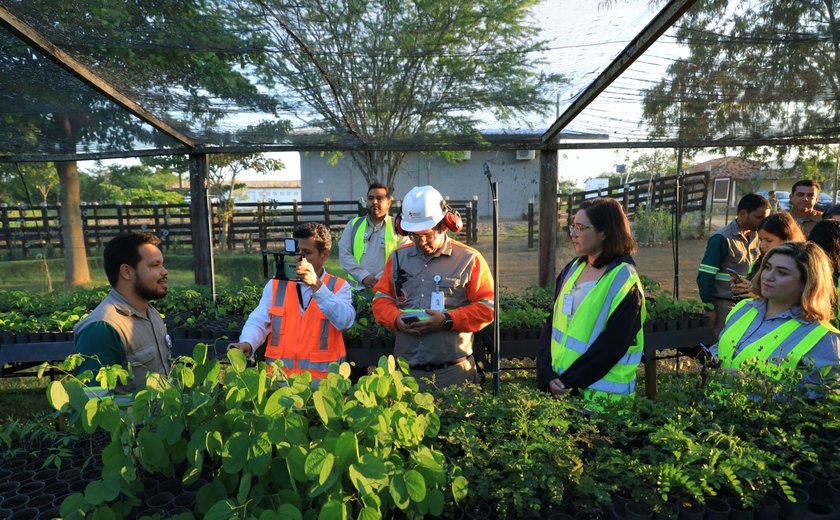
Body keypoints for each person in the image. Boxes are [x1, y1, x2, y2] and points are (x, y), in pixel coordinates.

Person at [371, 185, 494, 390]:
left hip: (453, 374)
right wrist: (396, 319)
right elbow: (381, 299)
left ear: (444, 225)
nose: (422, 241)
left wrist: (447, 321)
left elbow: (486, 308)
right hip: (406, 375)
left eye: (427, 234)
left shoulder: (469, 259)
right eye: (415, 235)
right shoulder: (398, 258)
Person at [536, 198, 645, 403]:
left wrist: (568, 382)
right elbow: (551, 328)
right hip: (562, 392)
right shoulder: (572, 270)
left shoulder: (624, 282)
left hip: (601, 402)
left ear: (604, 232)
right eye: (573, 226)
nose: (573, 234)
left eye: (581, 228)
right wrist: (546, 374)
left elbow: (611, 347)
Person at [228, 222, 355, 383]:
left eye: (306, 253)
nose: (298, 258)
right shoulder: (276, 285)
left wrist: (316, 285)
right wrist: (247, 342)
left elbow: (345, 321)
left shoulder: (338, 287)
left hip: (322, 387)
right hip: (279, 383)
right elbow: (258, 321)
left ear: (325, 254)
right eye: (296, 252)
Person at [710, 242, 840, 389]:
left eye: (782, 272)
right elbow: (723, 346)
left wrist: (765, 386)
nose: (768, 276)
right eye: (767, 267)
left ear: (807, 282)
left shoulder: (822, 336)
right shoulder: (743, 308)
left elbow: (828, 396)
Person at [74, 232, 171, 397]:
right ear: (126, 272)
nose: (164, 272)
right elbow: (94, 403)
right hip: (133, 424)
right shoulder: (103, 327)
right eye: (155, 265)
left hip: (162, 422)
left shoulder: (151, 313)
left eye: (162, 264)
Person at [697, 193, 770, 334]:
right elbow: (705, 277)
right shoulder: (721, 238)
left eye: (766, 217)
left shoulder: (758, 236)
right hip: (724, 306)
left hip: (750, 303)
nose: (764, 222)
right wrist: (710, 309)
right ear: (743, 214)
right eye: (759, 217)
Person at [339, 183, 409, 290]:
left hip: (388, 290)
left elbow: (404, 257)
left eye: (379, 198)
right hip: (357, 291)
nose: (374, 202)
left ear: (389, 203)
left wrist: (380, 279)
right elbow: (344, 255)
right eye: (371, 198)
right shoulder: (353, 225)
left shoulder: (398, 226)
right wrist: (364, 277)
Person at [731, 212, 805, 298]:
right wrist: (741, 287)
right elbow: (754, 288)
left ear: (787, 239)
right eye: (760, 240)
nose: (762, 245)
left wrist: (759, 296)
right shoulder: (759, 261)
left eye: (769, 240)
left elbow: (793, 298)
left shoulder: (800, 264)